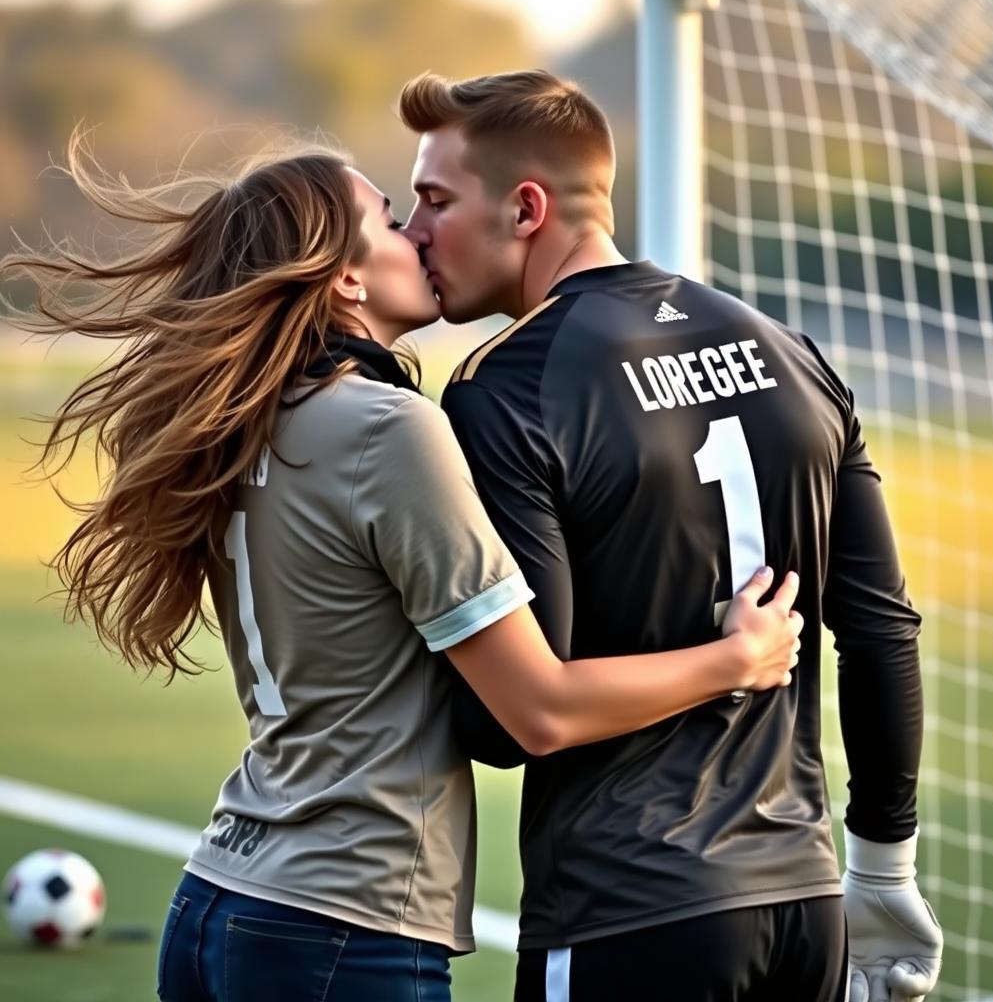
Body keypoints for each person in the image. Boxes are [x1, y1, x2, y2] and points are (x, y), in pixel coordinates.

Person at [1, 129, 804, 1002]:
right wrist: (738, 660)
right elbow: (537, 711)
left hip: (218, 904)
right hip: (343, 926)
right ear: (346, 275)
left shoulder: (247, 420)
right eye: (389, 219)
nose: (416, 234)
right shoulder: (385, 429)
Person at [399, 69, 944, 1002]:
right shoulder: (791, 353)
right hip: (805, 909)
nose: (413, 231)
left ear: (526, 207)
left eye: (435, 199)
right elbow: (883, 629)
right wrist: (885, 869)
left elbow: (509, 726)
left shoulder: (508, 389)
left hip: (628, 912)